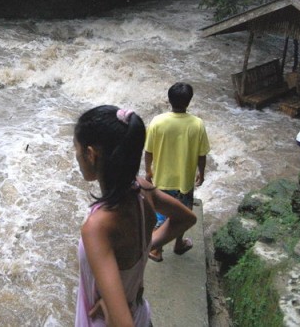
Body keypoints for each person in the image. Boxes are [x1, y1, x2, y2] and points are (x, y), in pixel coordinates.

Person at [73, 105, 196, 327]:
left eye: (77, 149)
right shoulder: (142, 190)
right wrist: (146, 245)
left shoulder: (98, 227)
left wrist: (112, 309)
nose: (76, 155)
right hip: (140, 314)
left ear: (90, 155)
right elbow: (187, 219)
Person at [143, 82, 210, 262]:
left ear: (169, 99)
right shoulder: (197, 124)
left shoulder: (158, 122)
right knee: (182, 214)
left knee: (160, 215)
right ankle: (178, 243)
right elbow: (201, 155)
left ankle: (156, 249)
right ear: (189, 102)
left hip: (162, 179)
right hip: (184, 181)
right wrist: (201, 173)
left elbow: (148, 151)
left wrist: (148, 171)